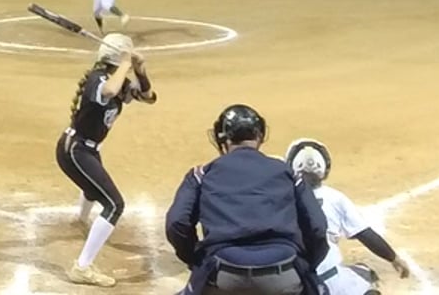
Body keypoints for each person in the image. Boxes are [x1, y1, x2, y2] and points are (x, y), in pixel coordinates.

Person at [164, 104, 328, 293]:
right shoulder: (288, 173)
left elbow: (176, 223)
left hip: (223, 275)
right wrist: (307, 264)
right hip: (284, 275)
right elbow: (318, 228)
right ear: (260, 136)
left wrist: (195, 260)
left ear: (222, 139)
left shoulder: (201, 175)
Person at [56, 32, 157, 288]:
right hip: (75, 150)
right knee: (114, 204)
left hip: (87, 150)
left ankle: (80, 221)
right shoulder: (98, 79)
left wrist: (140, 70)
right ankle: (82, 267)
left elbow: (148, 97)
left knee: (93, 187)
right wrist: (126, 63)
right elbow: (109, 90)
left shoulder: (119, 80)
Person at [283, 139, 410, 295]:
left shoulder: (281, 197)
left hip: (291, 281)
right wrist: (394, 258)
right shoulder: (335, 198)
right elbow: (365, 234)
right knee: (366, 274)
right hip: (329, 279)